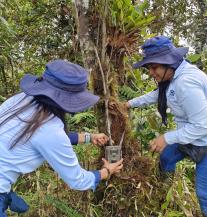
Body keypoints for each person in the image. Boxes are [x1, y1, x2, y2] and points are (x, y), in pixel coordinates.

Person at [0, 59, 123, 217]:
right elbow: (77, 180)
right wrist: (106, 171)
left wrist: (88, 137)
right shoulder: (50, 131)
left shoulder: (20, 99)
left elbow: (41, 137)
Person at [124, 36, 207, 217]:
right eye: (148, 67)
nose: (151, 72)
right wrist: (128, 104)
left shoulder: (186, 82)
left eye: (154, 67)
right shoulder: (173, 77)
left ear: (168, 62)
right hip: (191, 137)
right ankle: (163, 193)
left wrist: (166, 138)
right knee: (166, 158)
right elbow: (155, 95)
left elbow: (203, 125)